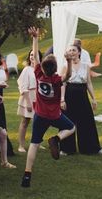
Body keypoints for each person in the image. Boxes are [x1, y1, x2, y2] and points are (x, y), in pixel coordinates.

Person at [21, 27, 76, 188]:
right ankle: (56, 139)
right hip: (54, 115)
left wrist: (35, 38)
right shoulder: (56, 79)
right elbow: (68, 76)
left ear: (43, 67)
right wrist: (69, 62)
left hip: (39, 114)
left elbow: (36, 58)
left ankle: (27, 174)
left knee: (34, 144)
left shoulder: (38, 74)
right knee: (71, 127)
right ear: (55, 68)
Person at [59, 43, 102, 156]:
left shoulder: (86, 66)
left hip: (82, 95)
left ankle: (92, 148)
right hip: (69, 95)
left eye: (74, 50)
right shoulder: (65, 66)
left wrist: (94, 98)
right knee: (68, 121)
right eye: (69, 50)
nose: (71, 52)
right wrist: (62, 99)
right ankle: (66, 149)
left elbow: (89, 83)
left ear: (79, 52)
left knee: (87, 121)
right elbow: (63, 84)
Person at [17, 49, 40, 152]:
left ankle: (36, 142)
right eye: (31, 55)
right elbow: (23, 86)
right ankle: (21, 145)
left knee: (39, 122)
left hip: (39, 98)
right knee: (25, 121)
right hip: (28, 97)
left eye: (34, 55)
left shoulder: (41, 69)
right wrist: (28, 102)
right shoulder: (27, 69)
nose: (32, 57)